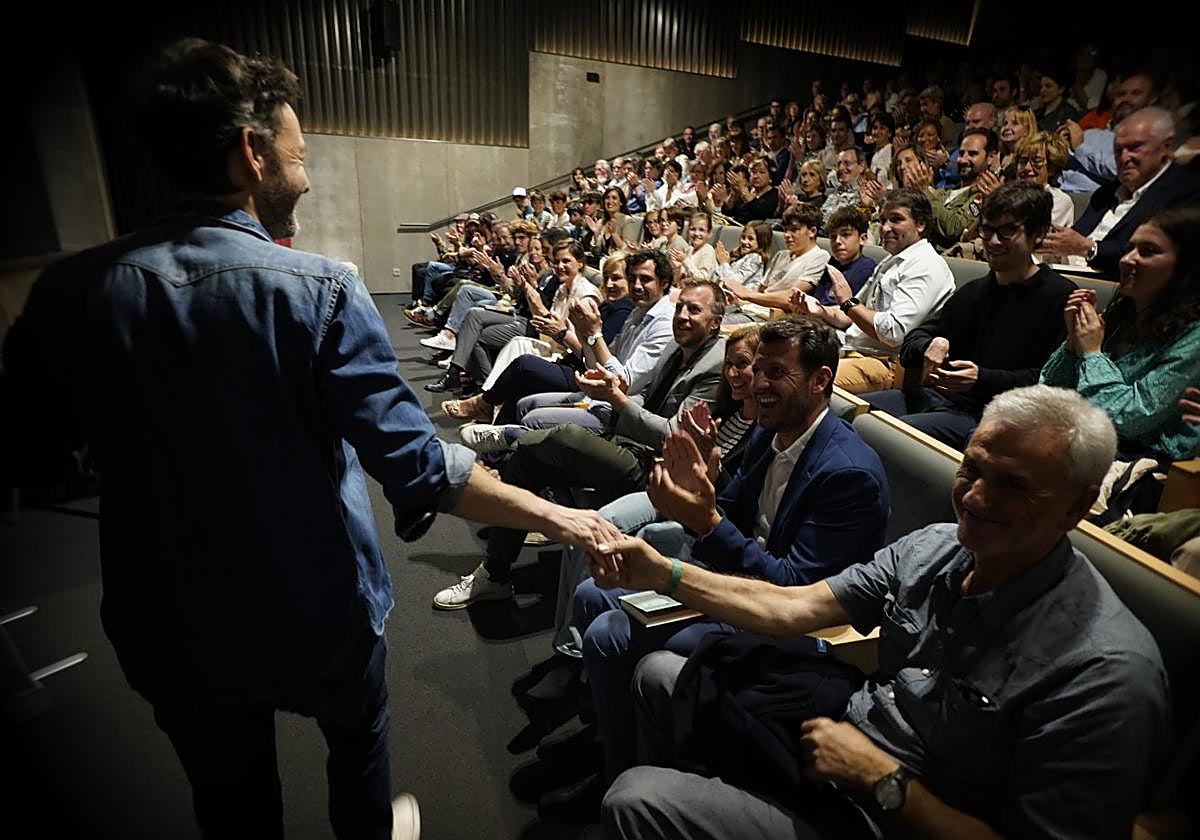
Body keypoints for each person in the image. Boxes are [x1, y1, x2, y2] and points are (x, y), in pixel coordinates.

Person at [0, 38, 625, 840]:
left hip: (167, 615)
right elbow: (418, 467)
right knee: (358, 758)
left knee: (230, 803)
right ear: (252, 155)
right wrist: (560, 518)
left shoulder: (68, 292)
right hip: (314, 605)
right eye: (300, 153)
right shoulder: (320, 290)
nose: (309, 170)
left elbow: (31, 455)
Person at [594, 385, 1169, 840]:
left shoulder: (1106, 671)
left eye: (1013, 487)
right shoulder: (937, 545)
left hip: (889, 812)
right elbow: (796, 605)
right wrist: (662, 573)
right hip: (841, 741)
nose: (974, 497)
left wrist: (881, 779)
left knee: (636, 797)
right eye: (972, 469)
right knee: (659, 675)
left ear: (1077, 506)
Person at [570, 316, 890, 810]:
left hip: (790, 622)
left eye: (776, 372)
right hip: (737, 584)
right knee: (593, 595)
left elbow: (793, 592)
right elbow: (731, 513)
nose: (758, 384)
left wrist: (706, 519)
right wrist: (699, 491)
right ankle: (611, 735)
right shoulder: (772, 431)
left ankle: (623, 775)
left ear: (821, 380)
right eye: (757, 369)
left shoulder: (849, 473)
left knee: (610, 635)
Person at [430, 281, 727, 610]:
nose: (682, 315)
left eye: (694, 310)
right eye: (681, 306)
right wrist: (613, 399)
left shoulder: (715, 365)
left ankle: (512, 436)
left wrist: (616, 399)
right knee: (528, 461)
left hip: (660, 467)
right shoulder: (677, 347)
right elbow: (647, 395)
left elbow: (675, 435)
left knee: (565, 436)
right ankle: (495, 574)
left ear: (715, 321)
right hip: (629, 441)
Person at [862, 183, 1076, 447]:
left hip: (992, 417)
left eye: (1007, 231)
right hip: (939, 400)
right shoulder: (975, 291)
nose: (993, 242)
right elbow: (913, 340)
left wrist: (981, 378)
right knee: (850, 412)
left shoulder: (1061, 297)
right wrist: (931, 344)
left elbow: (1051, 381)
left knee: (884, 435)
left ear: (1039, 234)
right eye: (987, 230)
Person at [1041, 207, 1200, 465]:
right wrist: (1073, 344)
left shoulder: (1194, 336)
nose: (1127, 260)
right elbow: (1050, 388)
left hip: (1147, 466)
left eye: (1147, 252)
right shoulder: (1121, 312)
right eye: (1129, 249)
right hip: (1088, 441)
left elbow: (1129, 417)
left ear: (1185, 266)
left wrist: (1091, 354)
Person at [793, 189, 955, 393]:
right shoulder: (891, 261)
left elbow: (893, 333)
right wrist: (820, 311)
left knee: (799, 383)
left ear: (921, 224)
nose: (885, 228)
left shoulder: (926, 265)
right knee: (778, 359)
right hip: (853, 349)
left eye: (896, 219)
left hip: (885, 363)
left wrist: (848, 304)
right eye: (883, 220)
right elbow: (850, 315)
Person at [1042, 108, 1200, 275]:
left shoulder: (1184, 193)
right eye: (1118, 150)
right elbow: (1075, 237)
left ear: (1166, 147)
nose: (1124, 157)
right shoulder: (1105, 194)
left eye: (1134, 147)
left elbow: (1153, 255)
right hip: (1069, 274)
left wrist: (1089, 248)